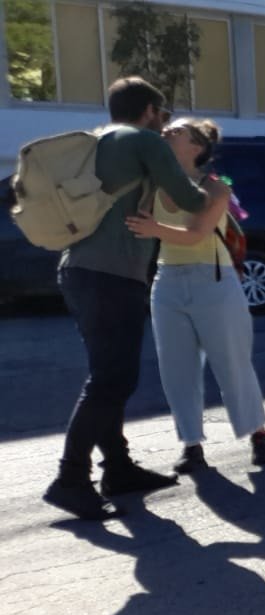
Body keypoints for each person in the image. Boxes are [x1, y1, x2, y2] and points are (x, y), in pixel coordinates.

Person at [42, 77, 212, 521]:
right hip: (111, 275)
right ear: (149, 110)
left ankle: (117, 468)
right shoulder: (144, 140)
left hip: (82, 271)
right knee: (111, 379)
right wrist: (211, 182)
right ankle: (70, 479)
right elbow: (190, 198)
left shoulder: (100, 139)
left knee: (109, 375)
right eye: (163, 114)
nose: (165, 123)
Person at [125, 118, 265, 475]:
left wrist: (154, 228)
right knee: (176, 370)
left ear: (197, 147)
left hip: (213, 280)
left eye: (176, 131)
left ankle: (258, 435)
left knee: (232, 365)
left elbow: (196, 234)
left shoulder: (216, 188)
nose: (167, 132)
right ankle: (192, 445)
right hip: (167, 282)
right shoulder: (153, 184)